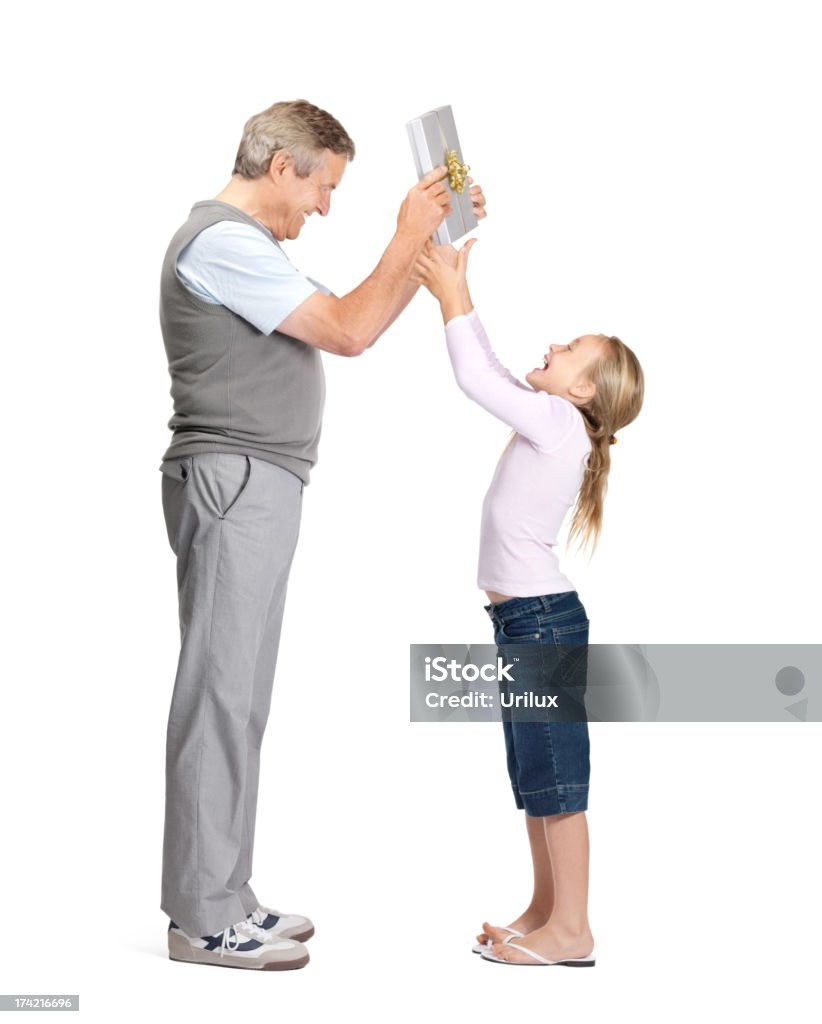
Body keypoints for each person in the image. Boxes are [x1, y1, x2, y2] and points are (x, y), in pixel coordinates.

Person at [158, 99, 487, 971]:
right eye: (323, 188)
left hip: (257, 484)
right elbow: (347, 328)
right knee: (220, 696)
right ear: (281, 167)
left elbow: (356, 319)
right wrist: (402, 237)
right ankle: (200, 917)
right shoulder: (222, 241)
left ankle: (224, 895)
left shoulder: (250, 248)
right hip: (234, 482)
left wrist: (426, 249)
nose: (324, 208)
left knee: (242, 695)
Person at [412, 238, 643, 967]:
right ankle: (545, 911)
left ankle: (572, 931)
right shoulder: (559, 419)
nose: (553, 343)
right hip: (523, 622)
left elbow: (476, 376)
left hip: (540, 624)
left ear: (583, 389)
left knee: (559, 779)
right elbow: (495, 370)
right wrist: (460, 289)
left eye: (571, 347)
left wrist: (451, 294)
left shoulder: (557, 422)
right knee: (536, 773)